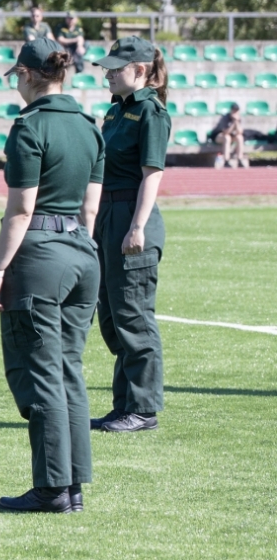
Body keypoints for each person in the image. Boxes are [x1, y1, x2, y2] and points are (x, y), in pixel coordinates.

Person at [0, 38, 104, 514]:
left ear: (31, 75)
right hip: (82, 253)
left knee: (41, 375)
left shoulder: (30, 127)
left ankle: (52, 487)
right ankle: (72, 484)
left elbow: (20, 209)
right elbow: (89, 208)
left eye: (16, 75)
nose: (16, 83)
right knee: (69, 371)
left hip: (39, 256)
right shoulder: (89, 127)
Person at [90, 36, 170, 433]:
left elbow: (151, 174)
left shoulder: (150, 113)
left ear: (139, 71)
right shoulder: (115, 113)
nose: (107, 74)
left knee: (133, 316)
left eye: (114, 68)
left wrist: (137, 226)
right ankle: (123, 405)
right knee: (112, 315)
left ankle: (143, 408)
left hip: (131, 214)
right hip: (109, 213)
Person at [213, 103, 249, 169]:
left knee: (240, 137)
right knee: (227, 138)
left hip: (231, 136)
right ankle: (226, 160)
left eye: (237, 110)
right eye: (234, 110)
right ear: (231, 110)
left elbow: (240, 132)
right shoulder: (225, 118)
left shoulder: (239, 118)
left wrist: (236, 122)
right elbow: (226, 132)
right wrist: (233, 123)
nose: (235, 112)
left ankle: (240, 159)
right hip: (219, 136)